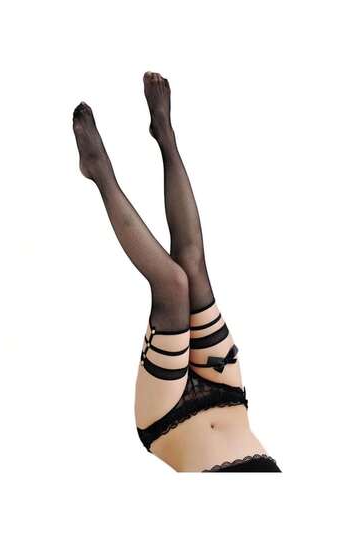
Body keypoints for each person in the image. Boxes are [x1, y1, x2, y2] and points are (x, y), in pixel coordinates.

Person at [72, 72, 281, 472]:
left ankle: (99, 171)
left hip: (168, 418)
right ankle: (165, 134)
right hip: (228, 393)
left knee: (173, 284)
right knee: (194, 267)